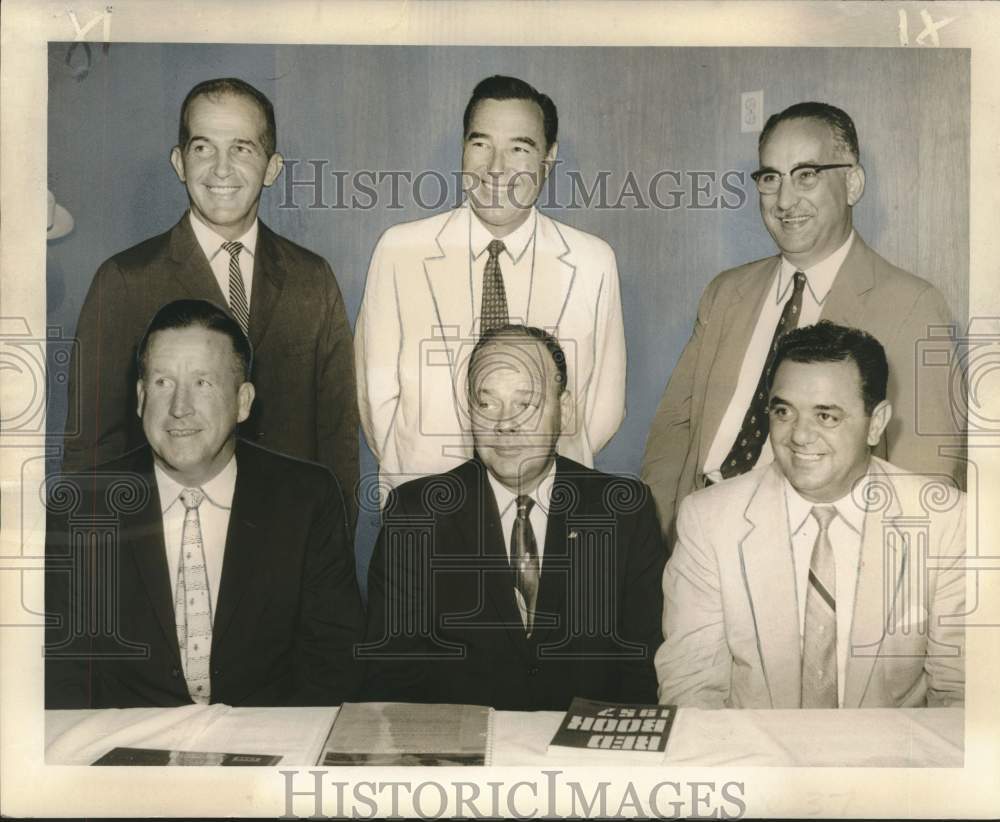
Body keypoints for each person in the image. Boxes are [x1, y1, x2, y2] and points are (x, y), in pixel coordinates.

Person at [641, 101, 963, 542]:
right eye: (770, 177)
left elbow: (923, 482)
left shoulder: (912, 305)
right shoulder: (726, 292)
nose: (785, 200)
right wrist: (661, 535)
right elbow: (674, 429)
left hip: (814, 552)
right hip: (700, 535)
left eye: (806, 174)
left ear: (853, 182)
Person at [61, 77, 359, 525]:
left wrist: (326, 551)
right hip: (164, 544)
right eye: (203, 148)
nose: (221, 169)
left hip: (289, 543)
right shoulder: (124, 280)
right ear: (179, 162)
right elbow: (91, 448)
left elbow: (338, 442)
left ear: (272, 167)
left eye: (242, 148)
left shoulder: (311, 279)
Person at [45, 299, 365, 708]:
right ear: (141, 398)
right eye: (162, 383)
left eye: (203, 383)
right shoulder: (80, 509)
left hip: (267, 749)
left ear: (243, 401)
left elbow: (332, 666)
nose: (180, 408)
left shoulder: (306, 498)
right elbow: (61, 677)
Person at [656, 321, 965, 709]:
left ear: (877, 424)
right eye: (784, 412)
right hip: (755, 760)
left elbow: (961, 695)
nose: (799, 436)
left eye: (826, 416)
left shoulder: (947, 521)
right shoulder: (709, 519)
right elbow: (691, 689)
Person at [363, 325, 664, 710]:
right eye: (486, 404)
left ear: (565, 409)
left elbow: (644, 671)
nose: (505, 424)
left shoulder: (623, 511)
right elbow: (389, 675)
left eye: (526, 403)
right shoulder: (416, 513)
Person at [355, 74, 626, 494]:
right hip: (428, 501)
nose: (496, 167)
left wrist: (530, 470)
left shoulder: (593, 261)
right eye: (480, 143)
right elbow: (376, 398)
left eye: (519, 148)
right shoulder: (400, 250)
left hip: (546, 507)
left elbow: (601, 406)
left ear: (548, 159)